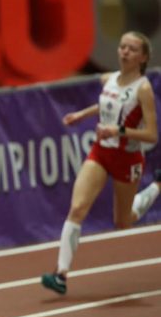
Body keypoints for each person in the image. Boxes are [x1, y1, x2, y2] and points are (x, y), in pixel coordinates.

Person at [42, 31, 158, 295]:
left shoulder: (143, 89)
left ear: (142, 57)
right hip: (101, 153)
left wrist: (119, 131)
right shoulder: (109, 78)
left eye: (131, 49)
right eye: (121, 47)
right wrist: (81, 115)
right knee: (78, 207)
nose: (124, 52)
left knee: (123, 221)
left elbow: (151, 134)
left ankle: (156, 187)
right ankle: (60, 274)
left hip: (127, 158)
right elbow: (107, 105)